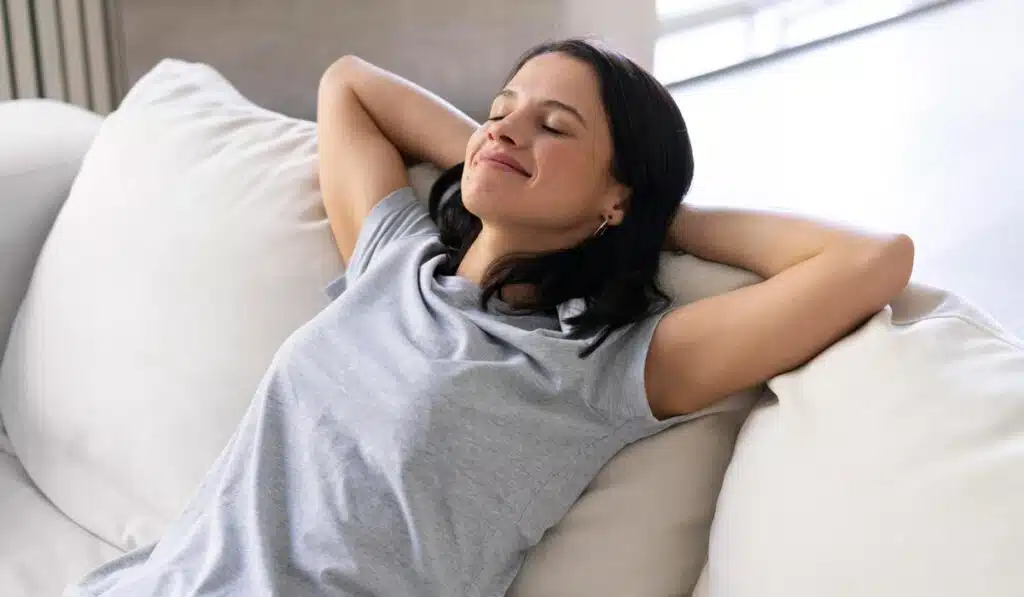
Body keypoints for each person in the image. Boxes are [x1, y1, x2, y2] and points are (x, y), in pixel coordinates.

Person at [67, 38, 914, 597]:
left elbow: (870, 261)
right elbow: (350, 85)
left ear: (617, 192)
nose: (507, 128)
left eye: (555, 126)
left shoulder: (595, 368)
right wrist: (498, 145)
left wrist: (658, 217)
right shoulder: (392, 259)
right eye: (503, 107)